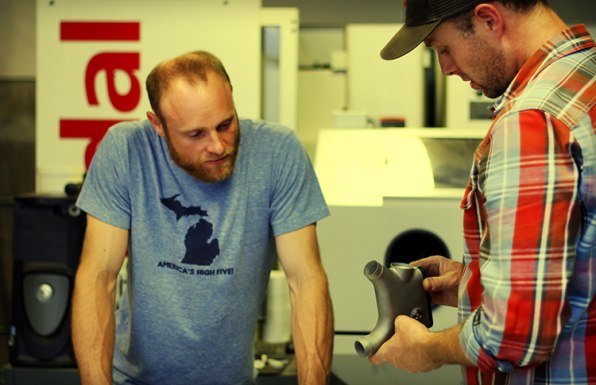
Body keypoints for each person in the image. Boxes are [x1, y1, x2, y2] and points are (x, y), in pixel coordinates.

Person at [71, 50, 334, 385]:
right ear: (158, 125)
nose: (218, 145)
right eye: (195, 134)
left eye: (226, 124)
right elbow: (99, 277)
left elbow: (305, 279)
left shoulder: (278, 151)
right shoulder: (125, 150)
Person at [370, 0, 595, 384]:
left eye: (444, 48)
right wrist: (476, 280)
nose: (446, 68)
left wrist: (427, 349)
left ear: (488, 19)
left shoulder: (532, 122)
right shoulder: (584, 78)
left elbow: (513, 337)